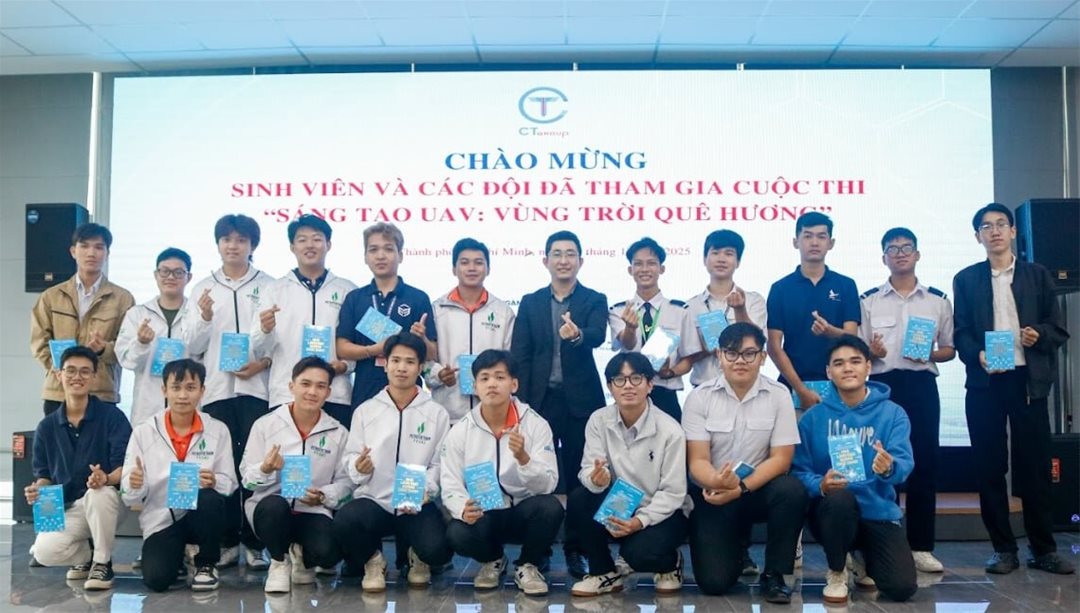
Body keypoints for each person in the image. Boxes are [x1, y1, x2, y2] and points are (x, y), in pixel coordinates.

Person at [952, 203, 1073, 575]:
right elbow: (961, 332)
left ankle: (1043, 549)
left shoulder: (1037, 275)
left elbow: (1058, 328)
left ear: (1013, 231)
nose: (995, 231)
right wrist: (978, 354)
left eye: (1001, 224)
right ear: (978, 236)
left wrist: (1039, 336)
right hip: (986, 380)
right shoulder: (966, 279)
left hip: (1027, 380)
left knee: (1034, 467)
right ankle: (1003, 549)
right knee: (989, 467)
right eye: (986, 227)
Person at [682, 322, 806, 603]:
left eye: (749, 353)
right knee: (714, 583)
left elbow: (781, 459)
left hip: (756, 489)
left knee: (791, 491)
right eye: (732, 353)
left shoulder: (779, 394)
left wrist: (740, 488)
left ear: (762, 357)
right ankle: (736, 548)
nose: (740, 360)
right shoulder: (699, 397)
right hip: (713, 492)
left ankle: (775, 574)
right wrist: (717, 481)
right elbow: (697, 460)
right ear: (719, 355)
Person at [510, 230, 607, 578]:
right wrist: (520, 399)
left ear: (580, 260)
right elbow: (520, 351)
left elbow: (597, 334)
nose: (563, 260)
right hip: (541, 400)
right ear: (545, 260)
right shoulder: (530, 302)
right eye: (557, 254)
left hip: (581, 402)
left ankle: (577, 548)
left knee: (581, 480)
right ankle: (540, 549)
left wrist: (577, 334)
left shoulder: (594, 298)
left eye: (570, 254)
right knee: (541, 475)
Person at [792, 335, 917, 604]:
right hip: (831, 511)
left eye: (855, 361)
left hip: (877, 511)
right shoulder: (812, 418)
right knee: (839, 499)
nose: (847, 368)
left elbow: (904, 465)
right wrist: (820, 485)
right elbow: (798, 472)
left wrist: (888, 468)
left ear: (868, 367)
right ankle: (837, 571)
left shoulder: (893, 413)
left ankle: (860, 556)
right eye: (838, 363)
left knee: (901, 588)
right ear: (828, 372)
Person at [859, 227, 955, 573]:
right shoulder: (868, 300)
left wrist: (930, 353)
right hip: (882, 386)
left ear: (917, 254)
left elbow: (949, 349)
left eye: (906, 248)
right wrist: (870, 351)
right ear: (883, 257)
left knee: (924, 462)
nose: (900, 253)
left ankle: (921, 547)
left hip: (921, 384)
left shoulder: (937, 300)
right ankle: (882, 544)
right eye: (893, 249)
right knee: (879, 462)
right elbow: (858, 351)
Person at [188, 214, 276, 569]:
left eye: (241, 239)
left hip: (257, 388)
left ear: (253, 245)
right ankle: (226, 540)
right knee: (221, 465)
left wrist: (262, 360)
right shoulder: (203, 288)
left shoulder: (269, 285)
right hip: (218, 390)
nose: (233, 246)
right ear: (218, 244)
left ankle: (255, 542)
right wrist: (205, 317)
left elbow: (278, 343)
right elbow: (192, 345)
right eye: (227, 239)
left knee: (254, 464)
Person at [333, 333, 452, 591]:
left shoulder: (436, 413)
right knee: (345, 521)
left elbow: (439, 464)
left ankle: (416, 556)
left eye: (410, 362)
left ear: (420, 368)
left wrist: (426, 490)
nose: (401, 368)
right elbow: (350, 457)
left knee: (438, 550)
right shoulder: (366, 410)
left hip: (417, 503)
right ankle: (374, 561)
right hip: (375, 500)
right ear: (385, 365)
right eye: (395, 360)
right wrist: (358, 467)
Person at [440, 350, 564, 596]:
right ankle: (493, 560)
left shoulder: (535, 424)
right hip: (485, 515)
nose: (492, 384)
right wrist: (463, 509)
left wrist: (524, 459)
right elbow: (450, 484)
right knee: (457, 533)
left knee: (551, 508)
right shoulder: (461, 431)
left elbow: (548, 484)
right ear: (475, 386)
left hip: (522, 513)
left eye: (499, 377)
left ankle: (527, 565)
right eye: (484, 378)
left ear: (514, 384)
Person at [567, 352, 689, 597]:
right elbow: (588, 469)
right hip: (620, 505)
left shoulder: (670, 430)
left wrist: (639, 521)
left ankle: (670, 563)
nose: (628, 386)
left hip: (662, 512)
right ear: (610, 387)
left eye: (636, 378)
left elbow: (673, 492)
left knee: (638, 555)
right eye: (619, 380)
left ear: (650, 384)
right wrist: (596, 479)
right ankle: (604, 573)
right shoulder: (598, 420)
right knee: (581, 498)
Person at [120, 359, 236, 592]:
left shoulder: (217, 430)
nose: (183, 395)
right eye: (176, 387)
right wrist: (135, 483)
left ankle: (206, 563)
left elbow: (230, 483)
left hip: (200, 516)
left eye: (191, 388)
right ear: (164, 390)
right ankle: (178, 557)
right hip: (162, 519)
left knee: (210, 498)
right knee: (157, 580)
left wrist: (215, 481)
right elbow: (129, 496)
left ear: (202, 391)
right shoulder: (144, 432)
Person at [240, 357, 353, 593]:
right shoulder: (265, 425)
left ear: (328, 392)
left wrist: (323, 496)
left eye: (320, 386)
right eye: (305, 384)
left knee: (329, 553)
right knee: (274, 507)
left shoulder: (338, 432)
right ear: (291, 386)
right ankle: (279, 561)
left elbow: (346, 484)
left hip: (313, 510)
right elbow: (247, 480)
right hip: (271, 510)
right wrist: (265, 469)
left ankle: (302, 557)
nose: (312, 392)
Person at [25, 345, 133, 591]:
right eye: (71, 371)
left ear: (94, 377)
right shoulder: (46, 427)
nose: (77, 377)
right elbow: (44, 475)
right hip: (71, 506)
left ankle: (102, 563)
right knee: (44, 552)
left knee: (98, 494)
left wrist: (105, 478)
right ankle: (87, 556)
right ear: (58, 375)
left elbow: (124, 468)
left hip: (109, 502)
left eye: (85, 371)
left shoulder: (113, 417)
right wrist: (38, 489)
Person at [252, 215, 357, 427]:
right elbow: (258, 346)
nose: (310, 245)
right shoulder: (275, 290)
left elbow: (355, 342)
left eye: (317, 239)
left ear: (328, 244)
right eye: (302, 240)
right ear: (292, 247)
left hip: (335, 393)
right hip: (287, 393)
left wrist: (345, 366)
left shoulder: (348, 290)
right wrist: (265, 329)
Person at [30, 223, 135, 415]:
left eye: (99, 247)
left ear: (107, 254)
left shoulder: (122, 298)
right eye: (84, 246)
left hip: (101, 393)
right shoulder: (51, 296)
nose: (91, 253)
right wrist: (63, 371)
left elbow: (128, 348)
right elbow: (39, 343)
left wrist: (103, 349)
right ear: (73, 251)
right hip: (58, 394)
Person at [336, 222, 437, 411]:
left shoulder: (418, 298)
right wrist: (374, 349)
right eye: (373, 250)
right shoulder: (355, 298)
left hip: (410, 395)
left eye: (388, 249)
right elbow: (342, 348)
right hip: (365, 391)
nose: (380, 256)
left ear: (400, 255)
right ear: (365, 257)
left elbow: (432, 353)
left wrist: (422, 339)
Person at [767, 212, 860, 409]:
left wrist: (830, 331)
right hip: (792, 386)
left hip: (840, 386)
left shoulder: (846, 285)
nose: (815, 242)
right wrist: (801, 390)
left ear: (831, 243)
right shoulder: (780, 288)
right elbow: (774, 346)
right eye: (808, 236)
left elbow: (853, 338)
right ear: (796, 242)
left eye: (821, 236)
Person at [116, 248, 213, 425]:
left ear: (189, 277)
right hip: (148, 409)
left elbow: (204, 354)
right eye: (165, 271)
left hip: (189, 409)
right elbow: (127, 361)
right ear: (156, 275)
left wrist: (205, 320)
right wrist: (141, 343)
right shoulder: (138, 314)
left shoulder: (198, 314)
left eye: (178, 272)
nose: (170, 277)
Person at [427, 238, 516, 424]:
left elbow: (511, 360)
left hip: (491, 414)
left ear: (488, 269)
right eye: (465, 262)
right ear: (454, 269)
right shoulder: (436, 310)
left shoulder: (503, 312)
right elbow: (425, 361)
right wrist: (439, 374)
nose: (472, 268)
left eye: (478, 262)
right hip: (446, 413)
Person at [607, 237, 696, 421]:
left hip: (665, 394)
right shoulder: (618, 310)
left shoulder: (680, 310)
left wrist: (669, 372)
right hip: (630, 393)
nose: (645, 269)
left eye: (651, 263)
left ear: (661, 269)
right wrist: (630, 328)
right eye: (638, 264)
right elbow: (626, 344)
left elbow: (689, 357)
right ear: (630, 270)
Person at [681, 230, 767, 388]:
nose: (721, 259)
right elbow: (687, 355)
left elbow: (758, 341)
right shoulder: (690, 307)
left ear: (738, 262)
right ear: (704, 259)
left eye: (728, 254)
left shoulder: (754, 301)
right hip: (704, 388)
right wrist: (707, 349)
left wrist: (740, 309)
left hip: (744, 388)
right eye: (715, 253)